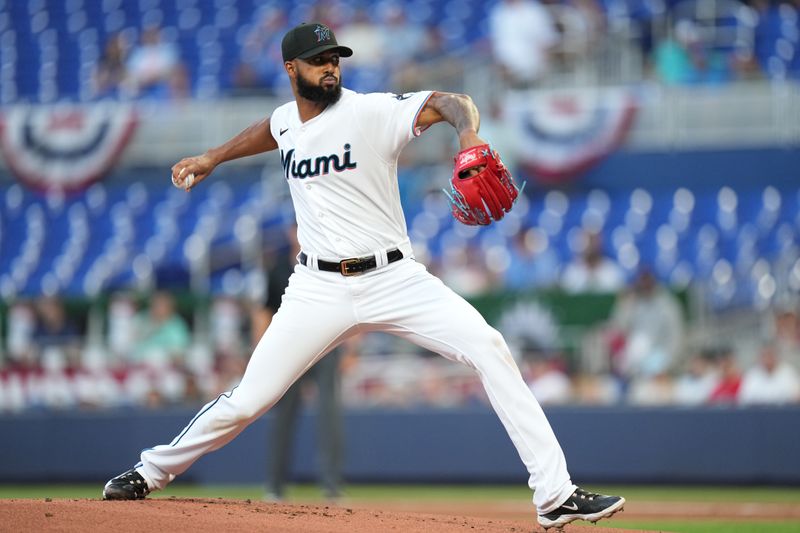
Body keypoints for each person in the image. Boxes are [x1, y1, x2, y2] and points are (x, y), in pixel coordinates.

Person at [102, 22, 624, 530]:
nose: (331, 68)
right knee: (248, 400)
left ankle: (555, 496)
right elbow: (272, 129)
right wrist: (213, 156)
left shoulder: (371, 111)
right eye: (319, 61)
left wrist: (468, 138)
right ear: (291, 69)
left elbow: (452, 102)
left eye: (335, 60)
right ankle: (151, 471)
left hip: (395, 279)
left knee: (489, 346)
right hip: (317, 288)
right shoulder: (287, 120)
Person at [250, 226, 346, 501]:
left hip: (327, 343)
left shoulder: (330, 258)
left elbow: (350, 303)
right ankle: (275, 485)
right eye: (296, 228)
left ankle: (331, 485)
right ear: (291, 232)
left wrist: (351, 347)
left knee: (330, 414)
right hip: (290, 347)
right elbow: (264, 310)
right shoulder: (278, 268)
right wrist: (262, 351)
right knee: (283, 416)